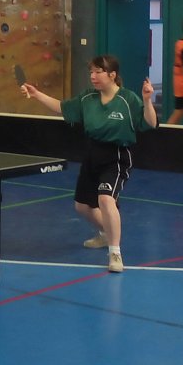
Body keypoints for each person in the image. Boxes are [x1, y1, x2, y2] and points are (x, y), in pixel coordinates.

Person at [21, 54, 158, 273]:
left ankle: (115, 252)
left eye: (98, 72)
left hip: (117, 155)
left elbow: (150, 123)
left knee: (105, 199)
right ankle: (107, 233)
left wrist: (148, 100)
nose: (92, 76)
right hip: (93, 154)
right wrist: (37, 94)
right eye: (91, 72)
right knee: (82, 207)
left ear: (112, 75)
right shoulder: (87, 98)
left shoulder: (128, 99)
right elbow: (61, 107)